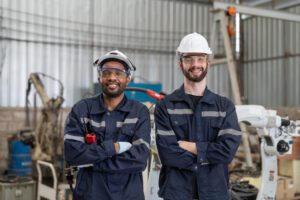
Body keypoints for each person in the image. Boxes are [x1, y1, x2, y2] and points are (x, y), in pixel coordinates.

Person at [154, 32, 242, 200]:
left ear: (208, 63)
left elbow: (227, 152)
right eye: (189, 59)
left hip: (215, 193)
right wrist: (209, 156)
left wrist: (192, 147)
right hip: (177, 193)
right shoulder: (165, 106)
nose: (195, 64)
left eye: (200, 59)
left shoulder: (224, 106)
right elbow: (168, 154)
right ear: (180, 64)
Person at [64, 50, 151, 200]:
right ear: (99, 78)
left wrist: (92, 162)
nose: (112, 77)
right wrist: (114, 148)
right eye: (106, 73)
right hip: (89, 195)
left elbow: (140, 159)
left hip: (128, 196)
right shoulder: (82, 109)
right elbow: (72, 154)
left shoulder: (139, 112)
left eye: (118, 73)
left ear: (127, 78)